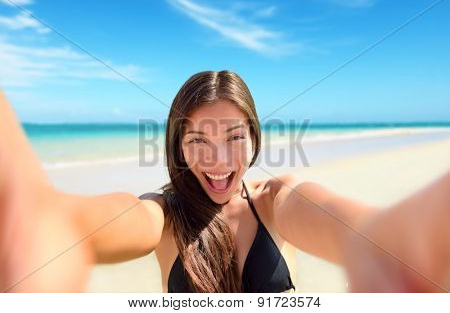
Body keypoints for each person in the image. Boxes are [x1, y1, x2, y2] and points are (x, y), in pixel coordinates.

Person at [0, 71, 448, 293]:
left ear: (255, 138)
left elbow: (344, 226)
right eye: (198, 140)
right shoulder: (163, 213)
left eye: (235, 138)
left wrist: (382, 238)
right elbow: (118, 220)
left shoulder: (276, 201)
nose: (217, 160)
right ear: (179, 146)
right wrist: (60, 222)